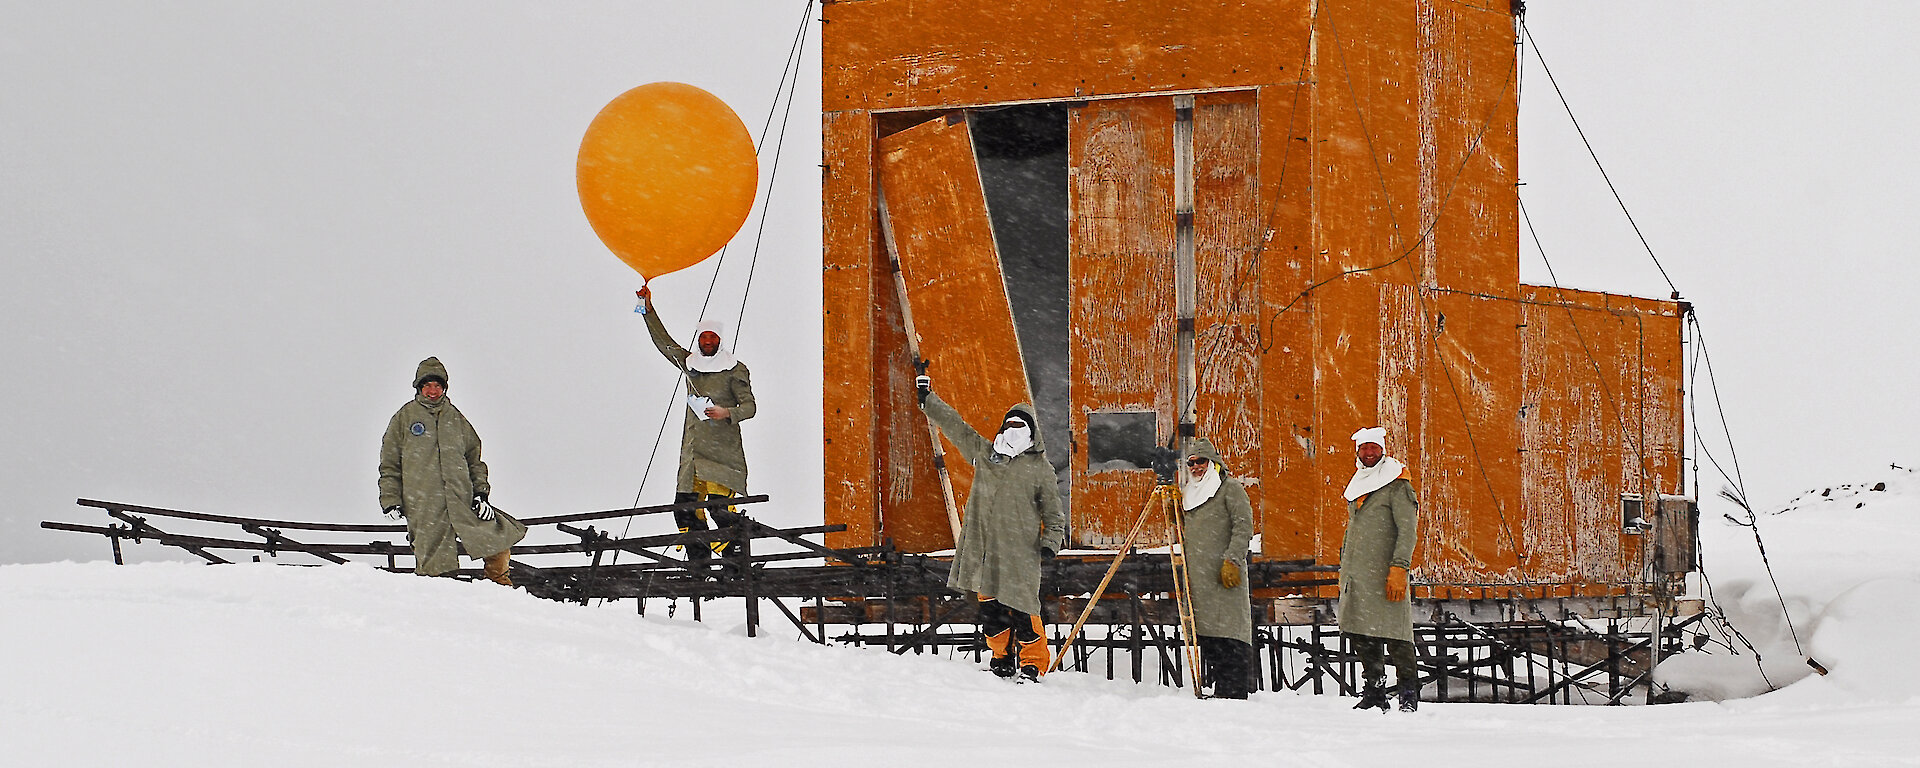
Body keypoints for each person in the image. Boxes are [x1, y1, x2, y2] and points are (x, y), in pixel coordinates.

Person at [917, 371, 1065, 682]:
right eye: (1008, 424)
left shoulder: (1040, 468)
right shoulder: (986, 455)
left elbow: (1054, 513)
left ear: (1031, 432)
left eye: (1019, 425)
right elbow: (957, 428)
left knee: (1024, 609)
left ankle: (1033, 663)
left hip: (1020, 553)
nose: (1012, 430)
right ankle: (1001, 656)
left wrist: (1051, 543)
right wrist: (928, 400)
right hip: (984, 550)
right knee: (992, 614)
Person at [378, 357, 526, 585]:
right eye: (427, 386)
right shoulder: (404, 418)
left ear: (444, 388)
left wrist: (480, 495)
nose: (432, 391)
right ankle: (441, 609)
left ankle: (499, 593)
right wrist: (390, 500)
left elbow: (474, 459)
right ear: (419, 388)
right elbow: (389, 465)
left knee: (498, 541)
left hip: (462, 500)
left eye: (437, 386)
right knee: (435, 568)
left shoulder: (456, 419)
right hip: (424, 504)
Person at [637, 285, 757, 561]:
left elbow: (750, 407)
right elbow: (663, 341)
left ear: (720, 340)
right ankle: (700, 564)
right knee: (684, 510)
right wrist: (647, 307)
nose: (707, 341)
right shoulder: (690, 364)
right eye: (703, 336)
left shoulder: (735, 369)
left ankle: (736, 565)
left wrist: (726, 412)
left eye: (712, 337)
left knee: (721, 512)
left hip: (721, 456)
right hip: (692, 456)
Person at [1336, 426, 1421, 711]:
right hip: (1358, 575)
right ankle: (1374, 690)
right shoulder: (1359, 481)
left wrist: (1399, 567)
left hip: (1386, 572)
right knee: (1362, 632)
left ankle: (1409, 692)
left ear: (1382, 449)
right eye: (1364, 448)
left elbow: (1407, 531)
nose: (1369, 453)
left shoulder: (1398, 484)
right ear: (1357, 452)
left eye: (1373, 448)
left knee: (1396, 633)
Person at [1179, 438, 1255, 699]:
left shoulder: (1230, 489)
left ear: (1213, 463)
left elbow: (1243, 525)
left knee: (1230, 633)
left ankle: (1234, 690)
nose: (1196, 466)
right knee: (1208, 635)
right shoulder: (1189, 493)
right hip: (1200, 578)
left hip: (1224, 574)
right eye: (1192, 462)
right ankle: (1222, 688)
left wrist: (1233, 558)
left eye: (1201, 461)